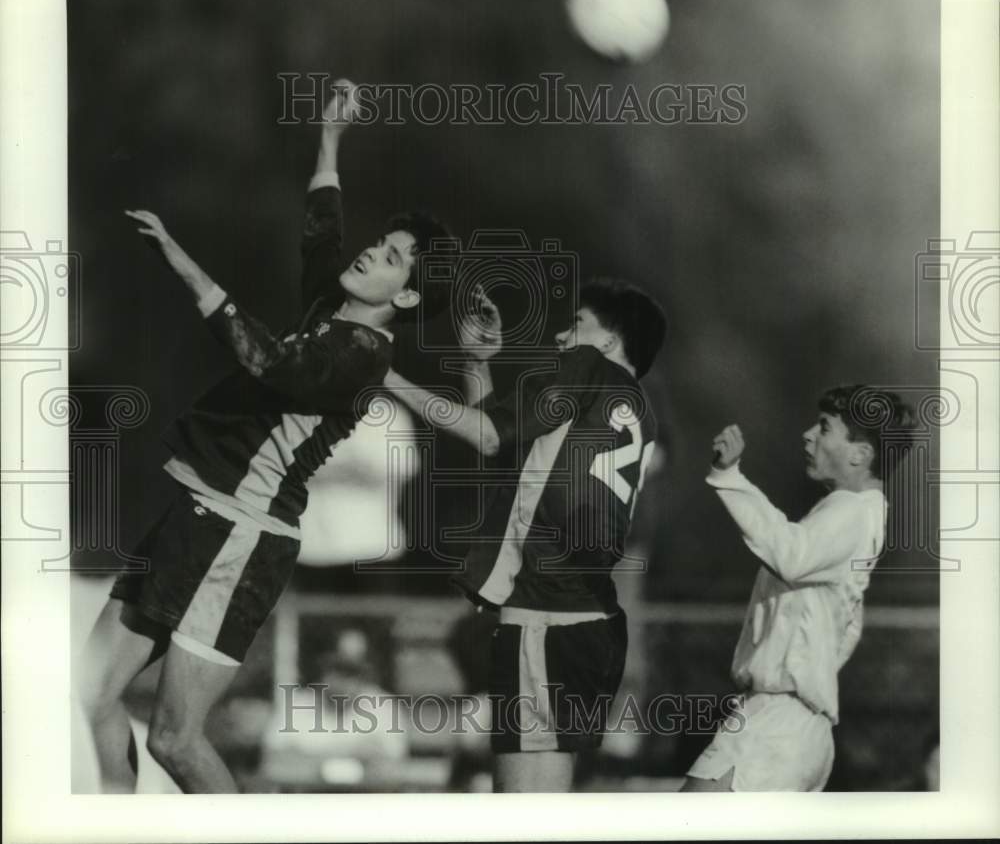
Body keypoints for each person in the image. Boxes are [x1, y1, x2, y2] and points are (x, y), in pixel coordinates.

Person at [76, 81, 452, 793]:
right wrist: (331, 139)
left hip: (240, 532)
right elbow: (322, 226)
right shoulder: (334, 308)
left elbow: (265, 360)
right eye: (382, 242)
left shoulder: (363, 356)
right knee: (95, 695)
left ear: (404, 298)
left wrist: (178, 258)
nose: (372, 251)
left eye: (394, 257)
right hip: (194, 514)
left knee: (175, 740)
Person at [385, 278, 666, 792]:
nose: (562, 336)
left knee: (516, 809)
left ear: (607, 342)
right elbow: (511, 458)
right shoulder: (636, 408)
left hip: (543, 611)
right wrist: (477, 362)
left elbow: (488, 436)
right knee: (543, 806)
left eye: (577, 324)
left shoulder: (586, 371)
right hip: (589, 623)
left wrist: (383, 377)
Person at [682, 386, 917, 792]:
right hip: (793, 724)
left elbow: (789, 553)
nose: (808, 435)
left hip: (779, 724)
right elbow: (847, 628)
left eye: (825, 428)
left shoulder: (852, 511)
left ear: (860, 454)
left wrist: (729, 477)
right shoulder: (862, 516)